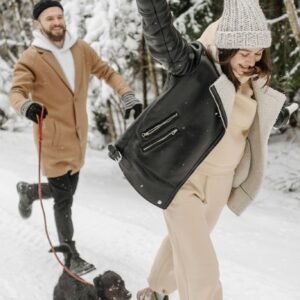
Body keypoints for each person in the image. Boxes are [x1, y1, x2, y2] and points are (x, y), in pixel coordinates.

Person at [118, 0, 297, 299]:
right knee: (201, 263)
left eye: (257, 53)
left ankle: (156, 290)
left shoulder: (252, 77)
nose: (251, 61)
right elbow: (161, 37)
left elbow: (252, 110)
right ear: (226, 47)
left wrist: (276, 116)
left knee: (187, 244)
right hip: (182, 177)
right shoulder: (193, 64)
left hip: (221, 180)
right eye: (244, 53)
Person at [9, 0, 142, 275]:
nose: (56, 22)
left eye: (59, 17)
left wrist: (126, 95)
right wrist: (26, 106)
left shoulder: (80, 48)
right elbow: (16, 92)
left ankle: (30, 191)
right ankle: (71, 256)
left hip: (79, 136)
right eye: (49, 19)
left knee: (67, 191)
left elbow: (107, 71)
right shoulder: (31, 58)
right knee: (64, 200)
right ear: (38, 24)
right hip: (52, 138)